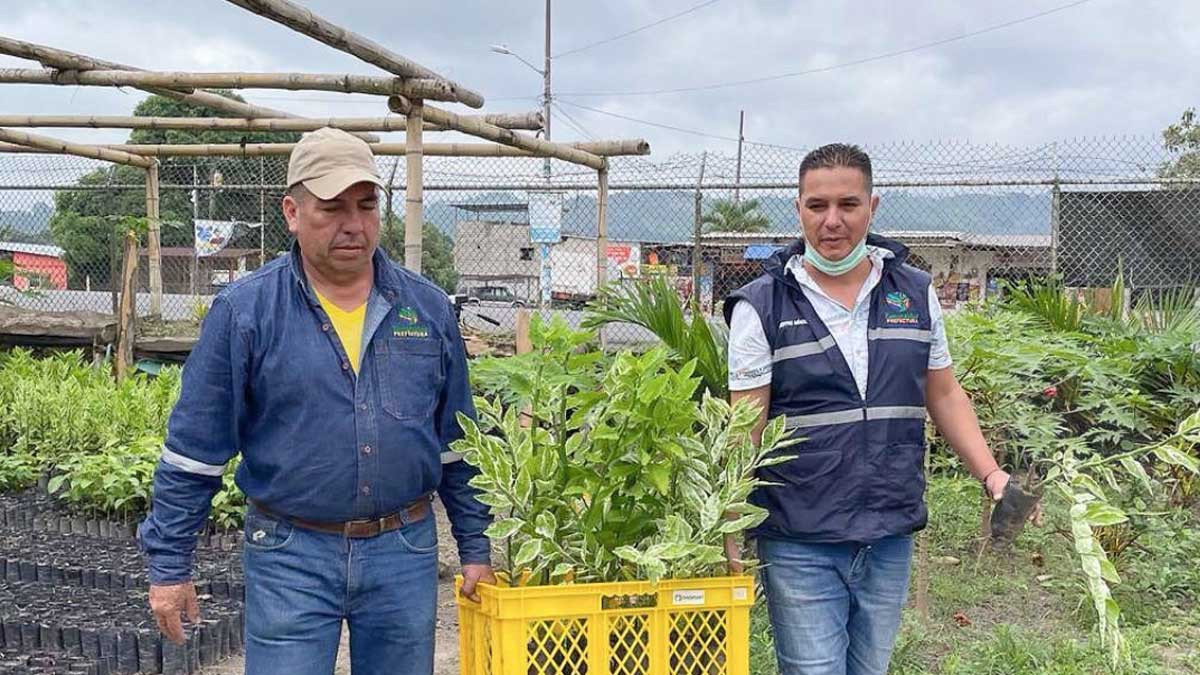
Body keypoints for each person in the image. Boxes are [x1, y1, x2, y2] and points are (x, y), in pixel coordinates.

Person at [138, 127, 494, 675]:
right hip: (290, 554)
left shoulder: (426, 310)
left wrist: (476, 546)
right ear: (292, 211)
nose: (353, 224)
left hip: (404, 551)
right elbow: (194, 451)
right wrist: (169, 567)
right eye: (331, 208)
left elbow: (458, 444)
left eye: (366, 205)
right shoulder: (246, 313)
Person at [724, 143, 1008, 675]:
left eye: (848, 205)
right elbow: (746, 428)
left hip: (888, 530)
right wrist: (727, 525)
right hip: (798, 534)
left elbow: (943, 393)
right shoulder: (761, 306)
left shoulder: (914, 293)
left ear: (872, 207)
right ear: (799, 208)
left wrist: (991, 474)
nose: (832, 221)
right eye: (817, 206)